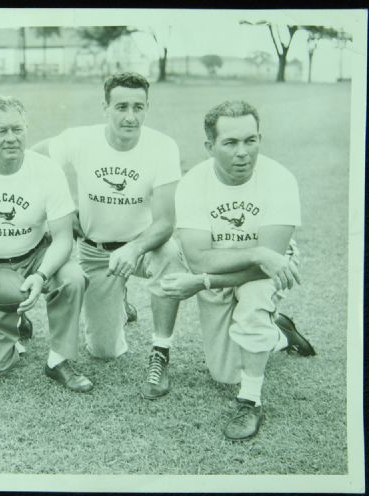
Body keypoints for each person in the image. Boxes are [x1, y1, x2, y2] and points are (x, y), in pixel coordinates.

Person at [160, 100, 315, 440]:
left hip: (268, 271)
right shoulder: (194, 183)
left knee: (252, 306)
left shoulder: (280, 179)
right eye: (230, 143)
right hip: (223, 262)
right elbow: (199, 258)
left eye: (251, 140)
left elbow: (268, 265)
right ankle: (280, 333)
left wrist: (202, 281)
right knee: (224, 373)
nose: (243, 152)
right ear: (210, 146)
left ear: (260, 138)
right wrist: (245, 257)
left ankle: (250, 401)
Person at [32, 72, 182, 399]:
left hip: (144, 246)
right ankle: (119, 300)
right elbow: (33, 158)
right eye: (121, 106)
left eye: (138, 107)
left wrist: (134, 248)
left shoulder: (162, 147)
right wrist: (64, 208)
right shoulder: (79, 139)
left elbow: (166, 222)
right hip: (97, 252)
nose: (130, 116)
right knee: (103, 351)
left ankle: (160, 353)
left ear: (146, 108)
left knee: (171, 255)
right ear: (105, 107)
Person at [0, 96, 92, 393]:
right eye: (1, 131)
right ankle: (15, 317)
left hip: (36, 254)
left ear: (26, 129)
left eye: (17, 129)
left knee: (72, 278)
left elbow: (62, 237)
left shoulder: (46, 170)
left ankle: (59, 360)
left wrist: (41, 275)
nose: (11, 138)